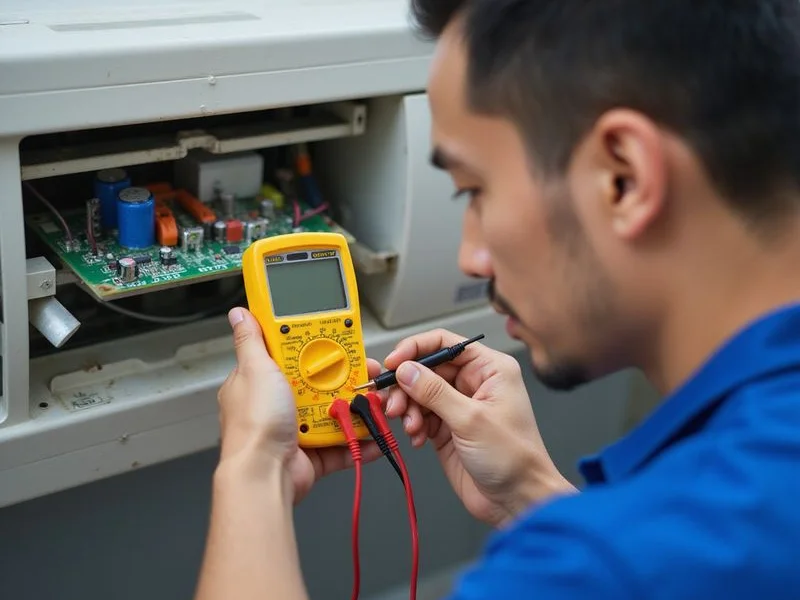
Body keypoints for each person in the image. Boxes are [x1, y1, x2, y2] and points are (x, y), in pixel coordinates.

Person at [194, 1, 800, 598]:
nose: (471, 258)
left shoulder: (595, 568)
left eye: (474, 191)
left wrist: (250, 470)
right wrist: (531, 491)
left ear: (624, 178)